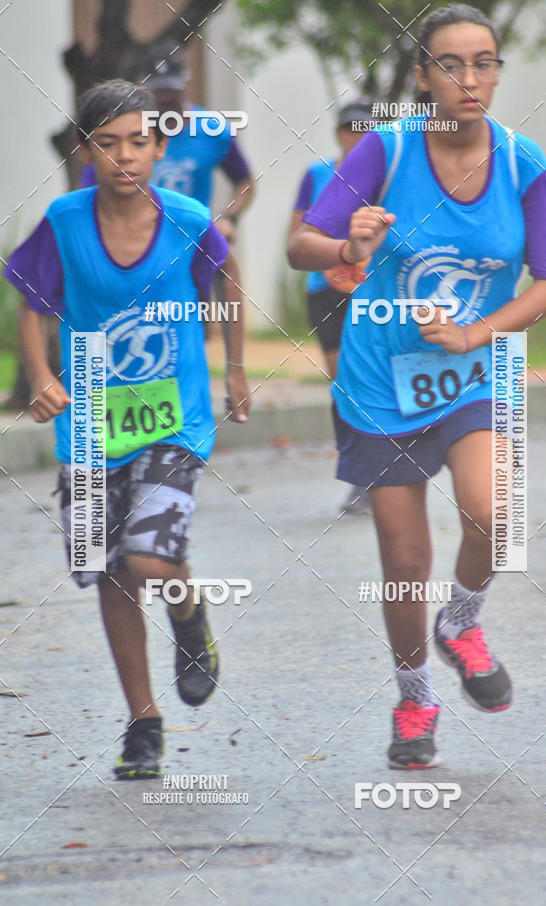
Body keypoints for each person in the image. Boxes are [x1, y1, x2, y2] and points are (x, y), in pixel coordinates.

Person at [288, 3, 546, 768]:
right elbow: (298, 245)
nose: (470, 79)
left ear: (498, 71)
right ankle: (414, 700)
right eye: (451, 64)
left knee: (494, 514)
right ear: (422, 76)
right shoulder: (384, 151)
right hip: (382, 380)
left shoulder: (522, 163)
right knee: (404, 562)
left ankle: (463, 622)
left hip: (475, 370)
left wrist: (480, 332)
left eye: (484, 62)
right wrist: (348, 241)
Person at [5, 79, 250, 779]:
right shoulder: (64, 219)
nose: (124, 158)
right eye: (107, 144)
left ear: (158, 146)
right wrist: (42, 376)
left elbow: (227, 277)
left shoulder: (187, 218)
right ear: (85, 151)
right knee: (108, 570)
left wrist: (234, 368)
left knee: (149, 556)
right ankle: (143, 720)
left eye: (138, 142)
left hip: (173, 418)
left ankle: (188, 617)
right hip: (87, 424)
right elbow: (30, 296)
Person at [288, 100, 378, 515]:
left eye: (364, 129)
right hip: (324, 287)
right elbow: (297, 234)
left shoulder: (387, 173)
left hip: (373, 288)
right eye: (349, 129)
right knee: (342, 378)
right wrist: (331, 260)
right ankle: (357, 472)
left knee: (370, 377)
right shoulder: (317, 173)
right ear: (339, 133)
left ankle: (384, 466)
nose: (355, 137)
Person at [80, 46, 255, 243]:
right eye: (158, 91)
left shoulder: (213, 130)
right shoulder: (123, 131)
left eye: (171, 90)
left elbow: (244, 182)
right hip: (131, 245)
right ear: (142, 87)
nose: (165, 98)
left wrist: (228, 218)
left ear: (187, 82)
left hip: (193, 243)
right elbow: (89, 189)